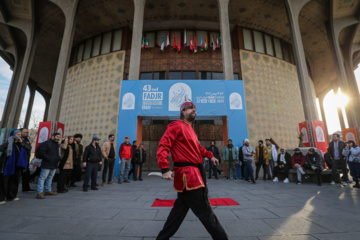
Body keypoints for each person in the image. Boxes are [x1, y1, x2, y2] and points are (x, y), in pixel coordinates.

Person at [156, 99, 228, 240]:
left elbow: (198, 148)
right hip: (189, 176)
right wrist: (164, 168)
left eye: (194, 108)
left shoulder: (191, 130)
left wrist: (210, 156)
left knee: (177, 214)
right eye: (189, 108)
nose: (193, 109)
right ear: (183, 112)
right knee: (207, 214)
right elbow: (164, 145)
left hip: (192, 175)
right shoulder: (177, 125)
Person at [0, 130, 29, 204]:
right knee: (4, 181)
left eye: (20, 134)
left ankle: (12, 196)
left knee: (15, 180)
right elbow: (1, 148)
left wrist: (21, 143)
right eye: (17, 134)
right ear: (13, 135)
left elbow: (28, 148)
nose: (19, 136)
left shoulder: (22, 144)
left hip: (18, 166)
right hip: (8, 165)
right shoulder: (8, 143)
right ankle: (1, 198)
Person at [36, 133, 61, 199]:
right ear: (53, 136)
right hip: (47, 164)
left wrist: (58, 158)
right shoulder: (46, 143)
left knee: (50, 178)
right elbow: (42, 152)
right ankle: (39, 192)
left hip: (54, 164)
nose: (58, 138)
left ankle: (48, 190)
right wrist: (49, 158)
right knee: (42, 178)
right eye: (57, 136)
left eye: (59, 137)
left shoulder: (56, 144)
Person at [19, 128, 35, 192]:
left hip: (26, 160)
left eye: (27, 132)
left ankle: (26, 188)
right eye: (25, 132)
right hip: (19, 160)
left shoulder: (26, 139)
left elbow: (29, 147)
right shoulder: (17, 139)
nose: (27, 133)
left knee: (26, 175)